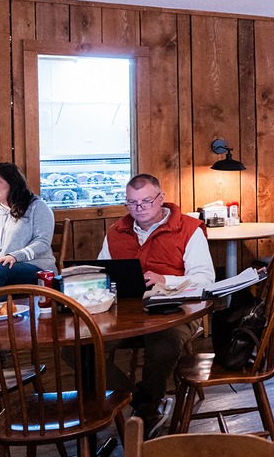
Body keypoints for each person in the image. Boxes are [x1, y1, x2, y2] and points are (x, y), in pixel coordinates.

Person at [100, 173, 215, 438]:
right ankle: (140, 400)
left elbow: (205, 280)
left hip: (178, 309)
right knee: (78, 348)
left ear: (161, 199)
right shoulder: (116, 231)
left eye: (145, 202)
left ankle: (149, 406)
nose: (138, 209)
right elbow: (102, 273)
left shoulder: (189, 229)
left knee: (164, 344)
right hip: (126, 312)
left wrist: (166, 279)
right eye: (131, 203)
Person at [0, 163, 57, 306]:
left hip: (35, 268)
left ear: (13, 183)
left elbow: (42, 242)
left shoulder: (37, 207)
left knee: (0, 272)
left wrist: (15, 256)